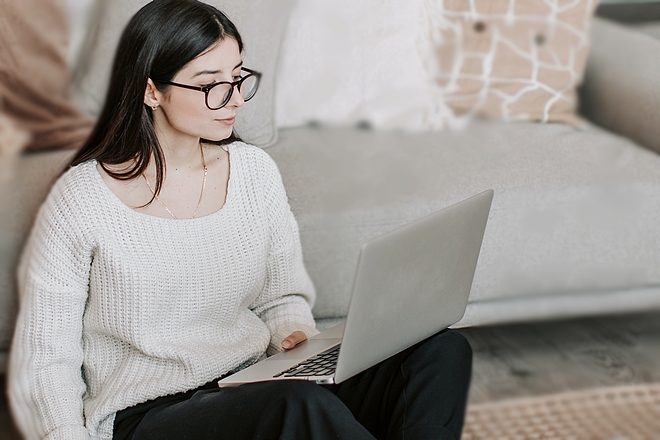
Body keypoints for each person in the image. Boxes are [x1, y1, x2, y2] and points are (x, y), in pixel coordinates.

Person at [8, 1, 473, 439]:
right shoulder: (83, 198)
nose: (233, 99)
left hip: (249, 384)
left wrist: (292, 334)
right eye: (211, 84)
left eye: (238, 78)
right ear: (152, 90)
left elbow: (281, 296)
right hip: (148, 416)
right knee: (298, 405)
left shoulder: (253, 171)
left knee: (439, 351)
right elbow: (46, 359)